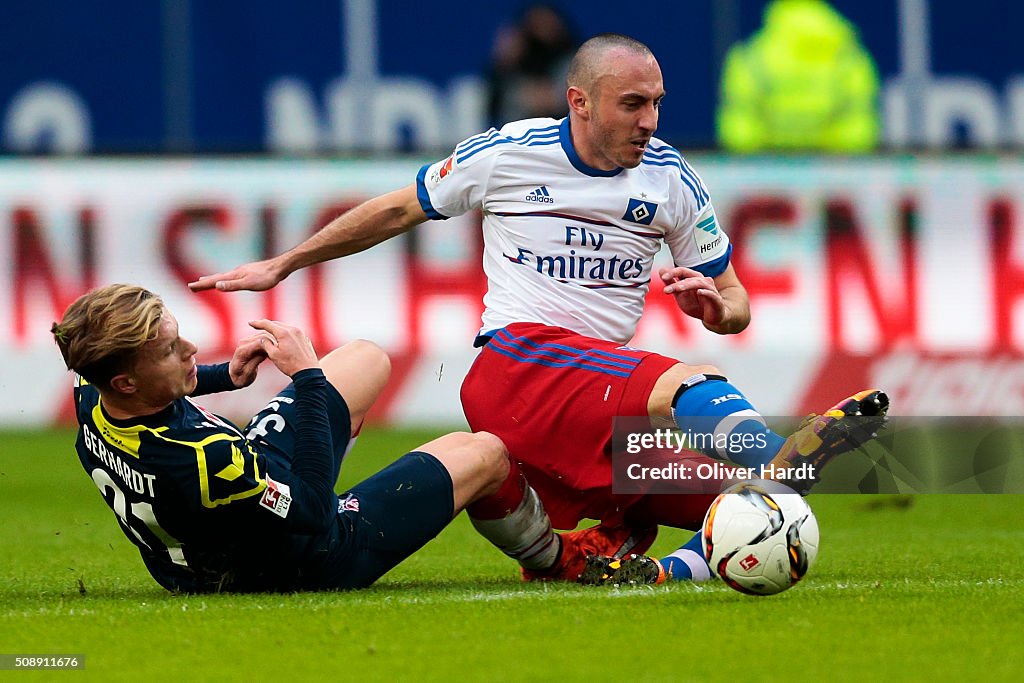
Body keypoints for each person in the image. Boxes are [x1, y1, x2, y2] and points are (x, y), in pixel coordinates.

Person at [189, 33, 888, 584]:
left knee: (748, 508)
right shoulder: (509, 154)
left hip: (593, 403)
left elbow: (736, 302)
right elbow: (400, 206)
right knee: (691, 385)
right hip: (518, 367)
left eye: (657, 104)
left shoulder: (672, 179)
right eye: (632, 104)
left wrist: (716, 308)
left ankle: (640, 571)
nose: (650, 120)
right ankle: (785, 459)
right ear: (579, 101)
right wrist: (286, 263)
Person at [51, 283, 608, 592]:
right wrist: (307, 381)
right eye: (172, 351)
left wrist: (224, 377)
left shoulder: (92, 395)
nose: (192, 349)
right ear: (125, 379)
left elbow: (119, 379)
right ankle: (558, 559)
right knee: (484, 452)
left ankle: (326, 417)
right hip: (294, 556)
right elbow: (315, 507)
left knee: (364, 359)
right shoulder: (207, 463)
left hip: (227, 514)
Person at [717, 0, 881, 153]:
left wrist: (759, 160)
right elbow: (858, 124)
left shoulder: (753, 55)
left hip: (767, 166)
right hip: (833, 167)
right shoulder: (847, 55)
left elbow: (740, 128)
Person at [486, 3, 578, 128]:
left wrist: (548, 95)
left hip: (563, 128)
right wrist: (504, 64)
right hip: (519, 129)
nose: (543, 27)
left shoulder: (572, 57)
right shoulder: (518, 57)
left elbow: (553, 100)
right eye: (536, 22)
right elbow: (497, 95)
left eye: (546, 20)